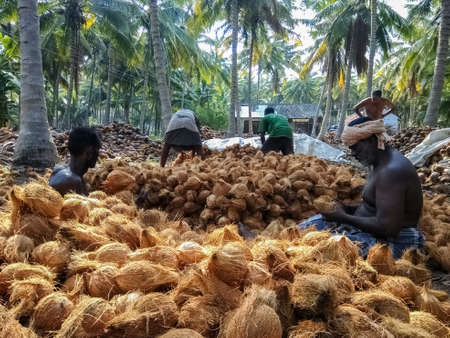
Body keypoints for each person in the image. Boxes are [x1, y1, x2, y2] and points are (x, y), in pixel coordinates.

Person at [299, 117, 424, 259]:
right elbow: (375, 206)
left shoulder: (392, 171)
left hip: (395, 243)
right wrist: (346, 208)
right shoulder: (377, 162)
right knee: (302, 229)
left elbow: (388, 227)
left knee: (320, 253)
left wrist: (344, 217)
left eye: (355, 148)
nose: (352, 154)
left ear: (371, 141)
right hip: (370, 230)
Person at [49, 127, 101, 196]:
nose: (98, 156)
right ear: (89, 152)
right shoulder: (73, 181)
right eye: (97, 151)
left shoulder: (58, 170)